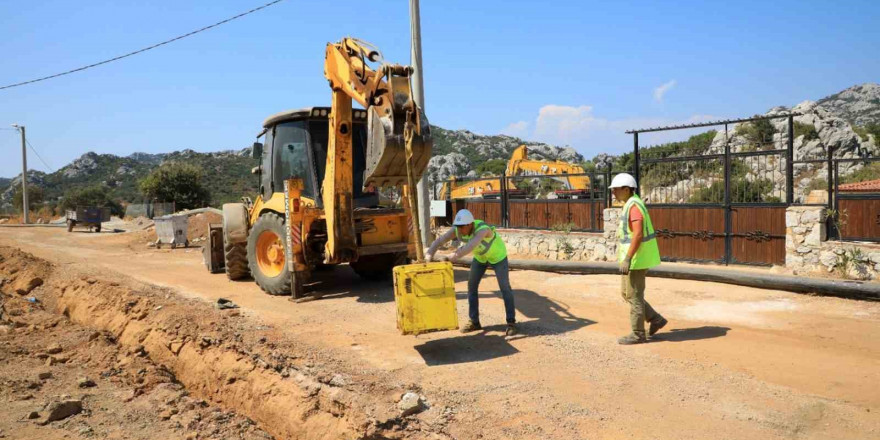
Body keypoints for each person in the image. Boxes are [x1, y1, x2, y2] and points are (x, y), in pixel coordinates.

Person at [426, 209, 517, 336]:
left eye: (462, 227)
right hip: (480, 258)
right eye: (458, 227)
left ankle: (511, 322)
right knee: (471, 287)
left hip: (498, 257)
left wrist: (448, 258)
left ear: (469, 225)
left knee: (505, 288)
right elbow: (440, 241)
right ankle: (474, 322)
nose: (460, 230)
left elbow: (469, 247)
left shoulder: (482, 230)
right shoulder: (458, 228)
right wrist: (428, 255)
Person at [610, 173, 668, 345]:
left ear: (626, 189)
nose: (613, 193)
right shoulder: (631, 203)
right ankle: (655, 319)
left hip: (636, 259)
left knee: (634, 296)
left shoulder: (634, 206)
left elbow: (638, 234)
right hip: (634, 258)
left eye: (616, 189)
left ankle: (638, 333)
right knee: (627, 294)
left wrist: (627, 258)